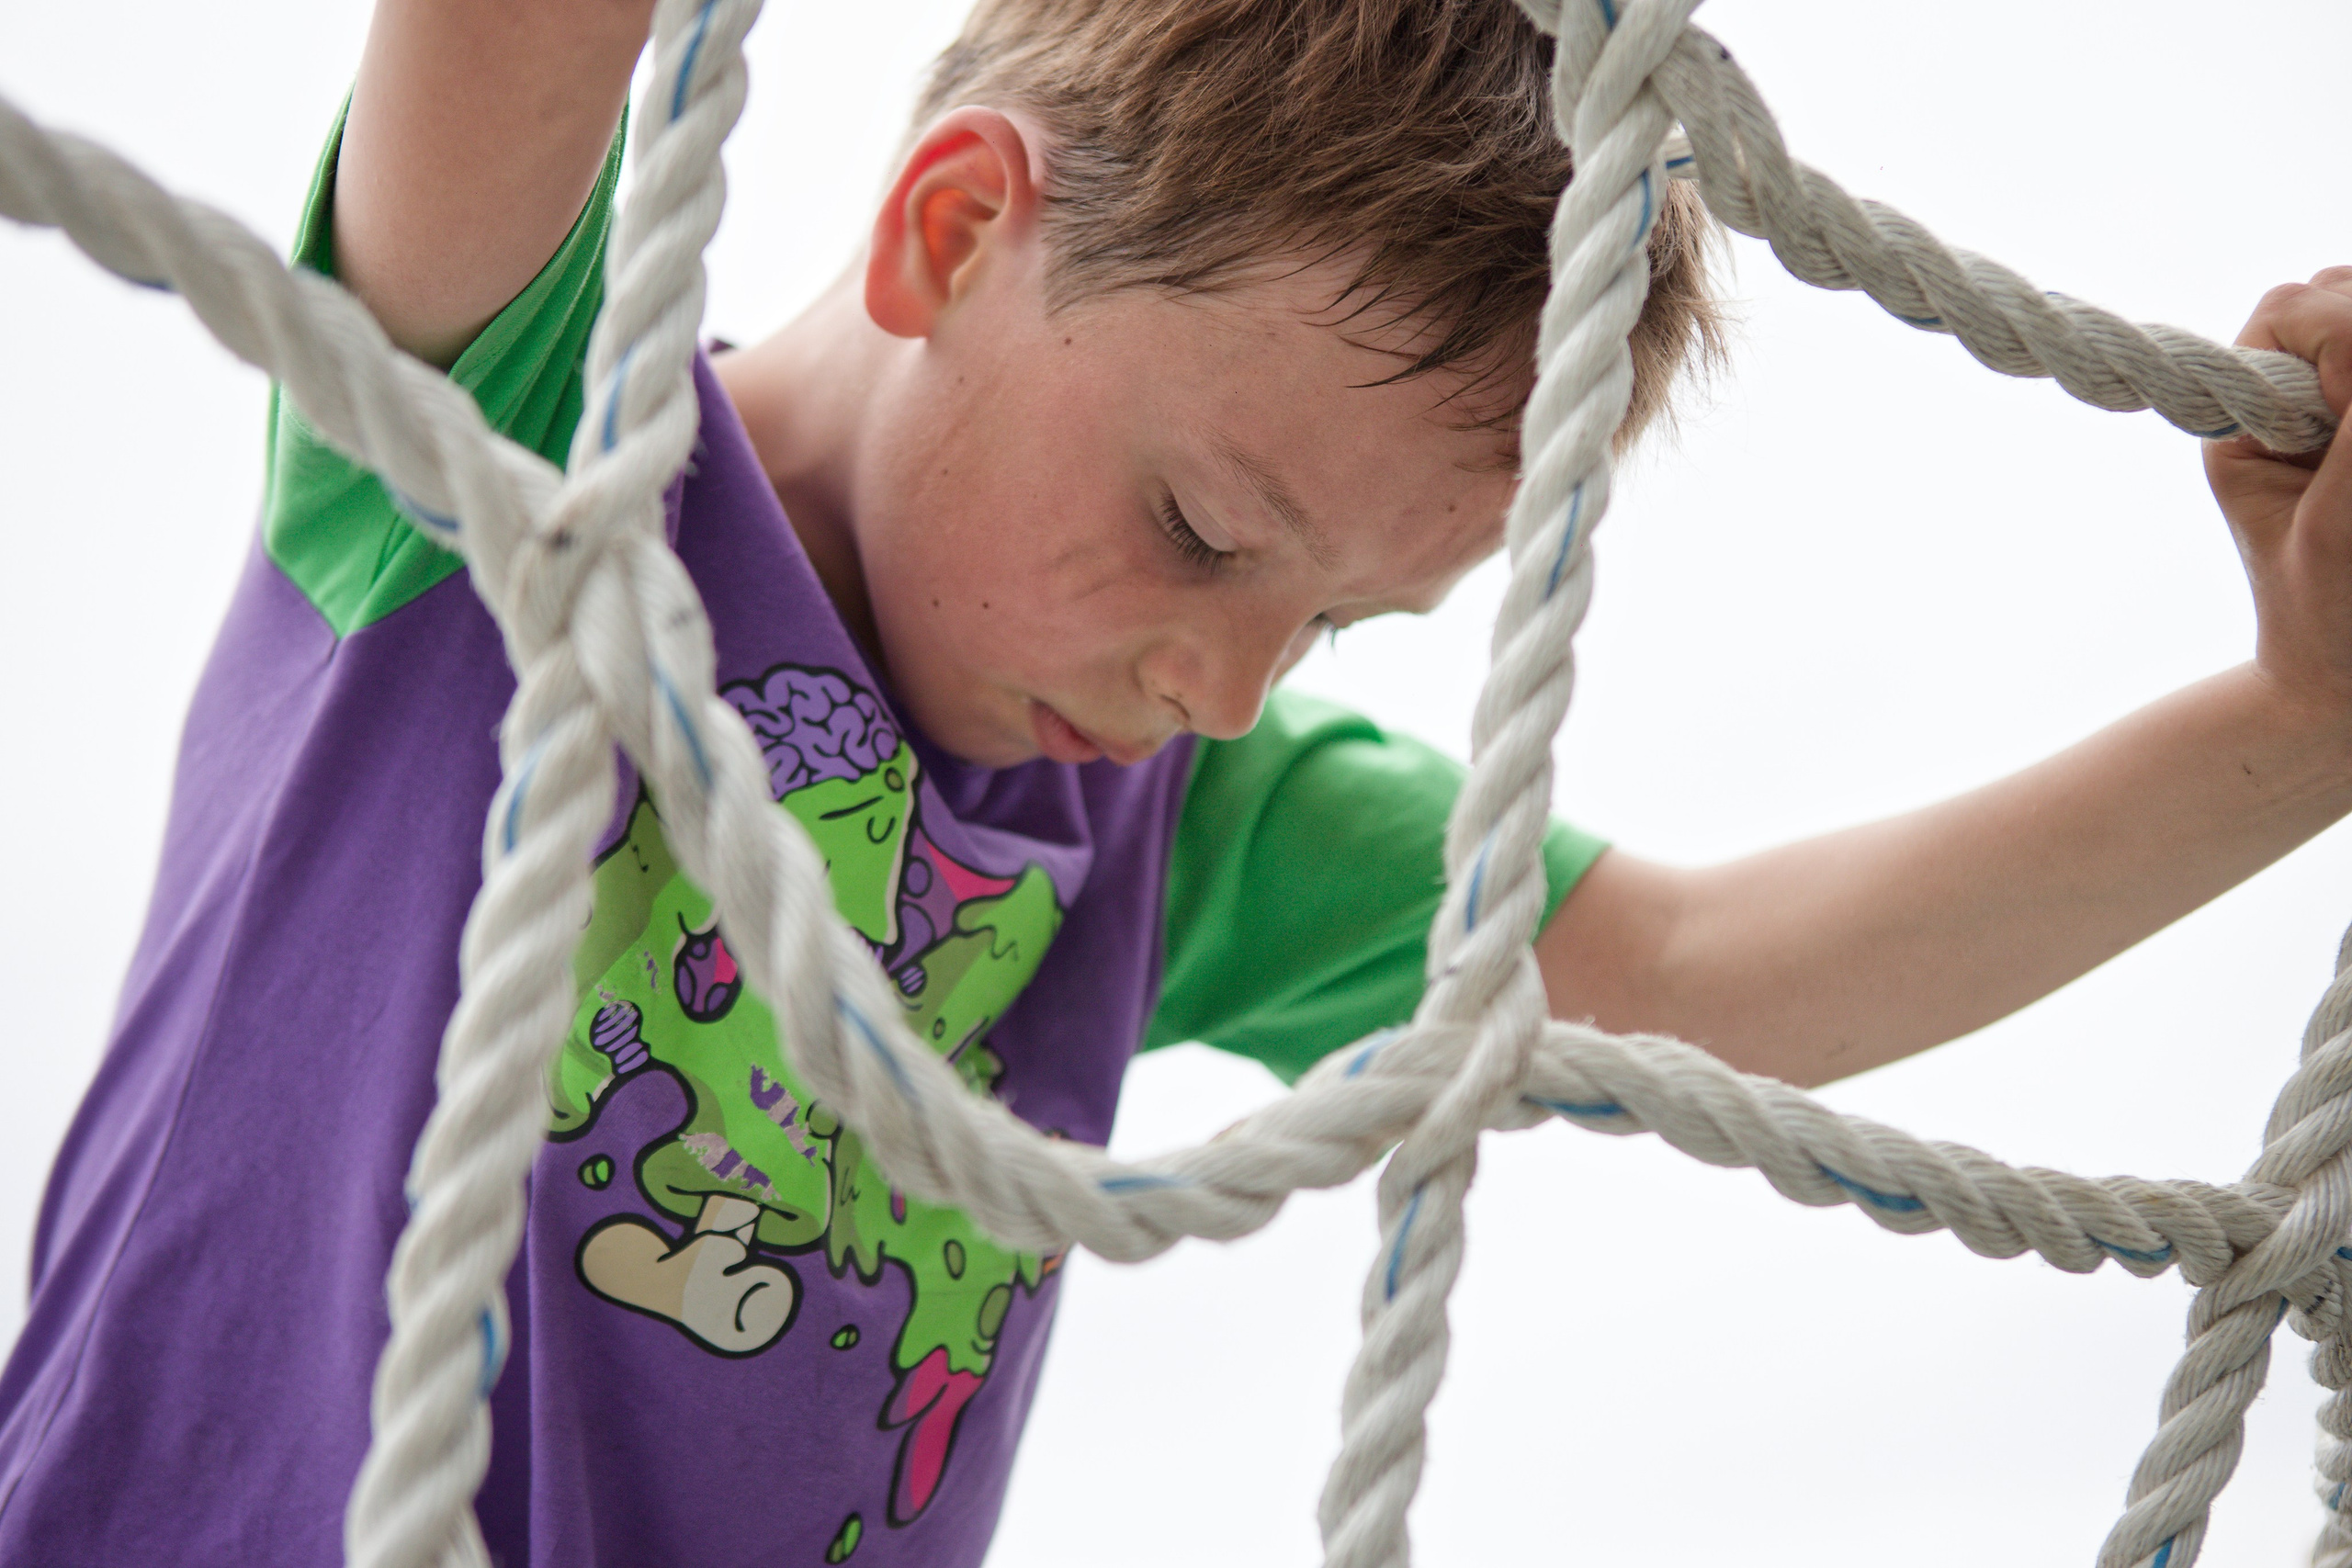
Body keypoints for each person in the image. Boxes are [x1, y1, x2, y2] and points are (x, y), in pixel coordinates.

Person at [2, 0, 2348, 1561]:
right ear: (950, 230)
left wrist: (2299, 720)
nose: (1224, 687)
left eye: (1327, 628)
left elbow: (1704, 973)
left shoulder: (1154, 812)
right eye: (1205, 533)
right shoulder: (514, 453)